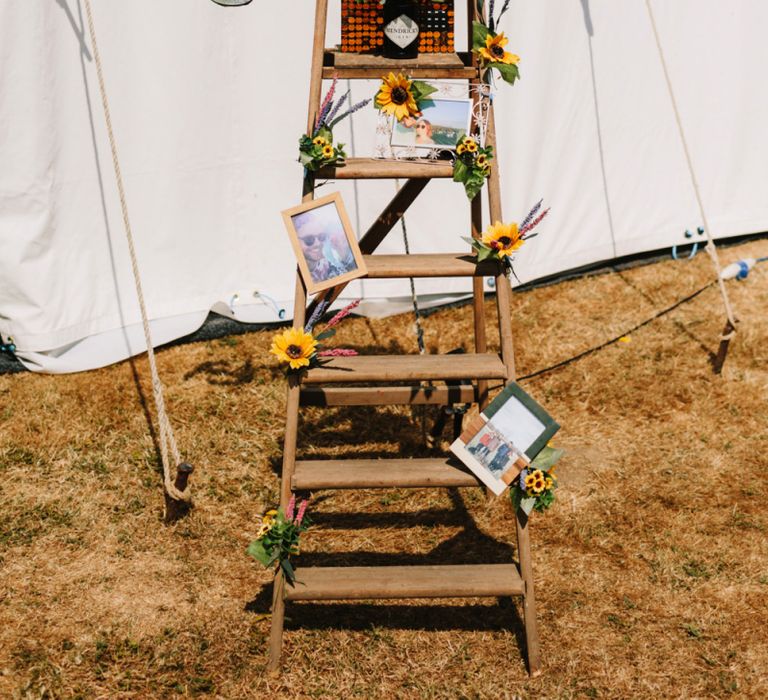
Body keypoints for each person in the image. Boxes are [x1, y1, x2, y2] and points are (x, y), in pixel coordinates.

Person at [294, 205, 356, 283]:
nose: (318, 243)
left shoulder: (325, 264)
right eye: (309, 239)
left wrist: (344, 255)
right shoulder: (295, 274)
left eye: (321, 237)